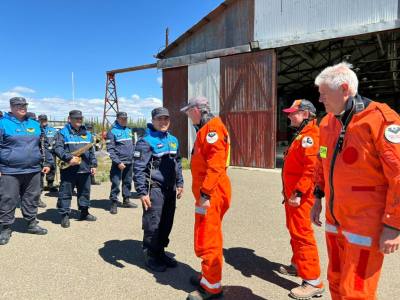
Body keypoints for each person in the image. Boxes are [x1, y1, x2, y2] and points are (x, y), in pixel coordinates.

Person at [311, 62, 400, 299]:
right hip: (334, 219)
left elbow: (398, 174)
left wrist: (393, 225)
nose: (320, 100)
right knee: (336, 281)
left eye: (324, 94)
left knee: (357, 291)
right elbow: (322, 158)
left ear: (344, 89)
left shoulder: (381, 119)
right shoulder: (327, 122)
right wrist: (318, 195)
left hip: (364, 224)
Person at [181, 96, 231, 300]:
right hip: (210, 191)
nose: (187, 115)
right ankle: (207, 276)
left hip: (211, 193)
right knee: (206, 234)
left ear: (197, 110)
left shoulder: (212, 129)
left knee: (208, 237)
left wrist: (205, 193)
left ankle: (211, 288)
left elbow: (216, 165)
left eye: (188, 111)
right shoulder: (207, 128)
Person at [279, 99, 324, 299]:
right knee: (294, 231)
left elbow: (311, 169)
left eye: (293, 113)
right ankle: (298, 264)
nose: (289, 116)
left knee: (302, 235)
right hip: (293, 195)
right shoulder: (303, 134)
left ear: (305, 114)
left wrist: (297, 192)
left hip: (300, 196)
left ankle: (313, 281)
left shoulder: (311, 135)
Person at [133, 107, 184, 272]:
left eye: (166, 119)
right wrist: (141, 192)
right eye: (159, 119)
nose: (163, 122)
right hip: (154, 189)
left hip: (170, 190)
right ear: (153, 120)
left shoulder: (173, 140)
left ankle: (160, 251)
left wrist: (180, 183)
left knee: (166, 222)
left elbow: (178, 164)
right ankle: (150, 255)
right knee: (153, 223)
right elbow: (138, 168)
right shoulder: (145, 141)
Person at [0, 97, 53, 245]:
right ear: (11, 107)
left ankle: (31, 223)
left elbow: (43, 145)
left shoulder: (34, 124)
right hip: (10, 170)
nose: (22, 107)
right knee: (8, 199)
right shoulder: (3, 123)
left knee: (32, 197)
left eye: (24, 105)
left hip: (33, 169)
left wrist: (47, 162)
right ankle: (5, 227)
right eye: (18, 105)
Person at [54, 110, 97, 228]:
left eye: (80, 118)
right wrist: (69, 158)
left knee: (85, 192)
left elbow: (91, 151)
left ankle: (84, 212)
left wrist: (93, 165)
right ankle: (64, 215)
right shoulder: (62, 133)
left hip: (85, 168)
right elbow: (58, 148)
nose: (79, 120)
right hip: (69, 168)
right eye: (76, 118)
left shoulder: (87, 134)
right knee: (66, 192)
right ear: (69, 119)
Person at [106, 112, 137, 214]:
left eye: (126, 119)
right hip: (118, 163)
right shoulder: (112, 132)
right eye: (122, 119)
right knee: (115, 183)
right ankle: (114, 203)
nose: (124, 120)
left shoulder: (128, 130)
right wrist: (118, 162)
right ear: (118, 119)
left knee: (127, 182)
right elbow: (110, 149)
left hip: (129, 161)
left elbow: (132, 145)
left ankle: (126, 200)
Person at [38, 114, 58, 193]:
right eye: (41, 120)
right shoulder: (37, 129)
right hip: (40, 152)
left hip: (51, 152)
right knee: (40, 169)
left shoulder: (52, 130)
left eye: (44, 120)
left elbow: (57, 140)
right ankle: (40, 186)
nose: (43, 122)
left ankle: (50, 185)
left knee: (52, 168)